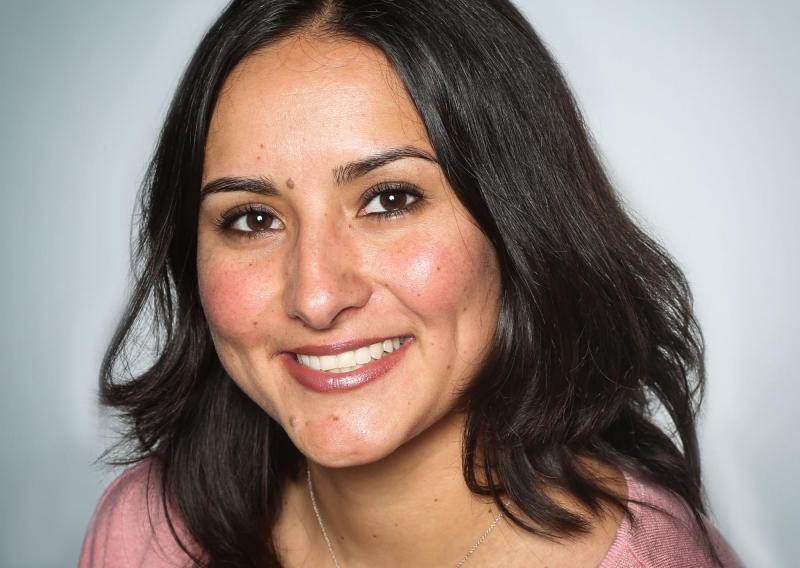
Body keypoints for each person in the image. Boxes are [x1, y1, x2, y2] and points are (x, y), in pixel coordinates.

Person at [79, 1, 745, 566]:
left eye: (390, 200)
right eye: (253, 219)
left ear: (519, 224)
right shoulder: (145, 532)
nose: (315, 297)